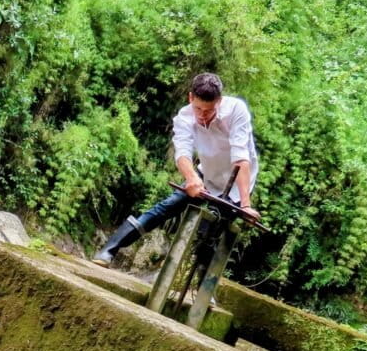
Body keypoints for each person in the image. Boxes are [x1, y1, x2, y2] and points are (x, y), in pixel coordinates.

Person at [92, 72, 259, 267]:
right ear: (190, 98)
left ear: (219, 101)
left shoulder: (236, 110)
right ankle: (109, 250)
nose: (202, 115)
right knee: (168, 205)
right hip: (206, 174)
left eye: (209, 110)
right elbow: (182, 153)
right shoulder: (184, 117)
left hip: (237, 183)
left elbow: (240, 157)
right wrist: (192, 178)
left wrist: (245, 205)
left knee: (211, 230)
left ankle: (201, 280)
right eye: (198, 108)